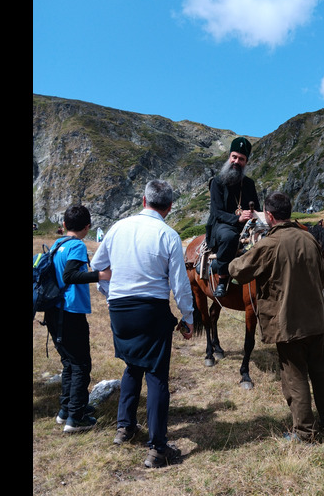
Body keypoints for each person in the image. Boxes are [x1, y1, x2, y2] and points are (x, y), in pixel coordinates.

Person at [89, 179, 194, 468]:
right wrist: (188, 317)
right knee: (157, 374)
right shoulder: (168, 234)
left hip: (120, 310)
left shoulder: (118, 228)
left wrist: (111, 297)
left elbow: (98, 268)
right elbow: (179, 283)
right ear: (169, 207)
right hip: (151, 308)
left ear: (143, 200)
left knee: (132, 364)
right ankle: (158, 449)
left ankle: (125, 427)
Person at [229, 192, 324, 442]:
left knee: (295, 377)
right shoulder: (310, 239)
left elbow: (238, 270)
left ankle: (305, 433)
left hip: (288, 324)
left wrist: (230, 261)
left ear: (269, 215)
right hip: (315, 322)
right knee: (321, 374)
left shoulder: (269, 243)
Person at [45, 205, 112, 434]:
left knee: (69, 362)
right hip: (70, 311)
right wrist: (100, 275)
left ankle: (66, 410)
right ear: (87, 227)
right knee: (81, 364)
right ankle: (76, 418)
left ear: (64, 225)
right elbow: (70, 275)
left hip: (54, 310)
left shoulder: (57, 245)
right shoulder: (76, 245)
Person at [206, 136, 261, 297]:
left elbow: (256, 207)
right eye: (234, 157)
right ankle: (223, 280)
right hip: (221, 225)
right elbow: (216, 212)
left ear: (246, 162)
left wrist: (252, 214)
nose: (237, 161)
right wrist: (237, 218)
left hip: (246, 225)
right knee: (230, 237)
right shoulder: (217, 182)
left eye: (241, 159)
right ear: (229, 157)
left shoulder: (249, 184)